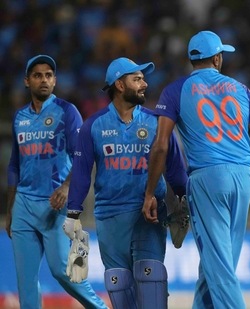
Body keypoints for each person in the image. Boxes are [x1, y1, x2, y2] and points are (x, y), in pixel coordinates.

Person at [141, 30, 250, 309]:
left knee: (220, 269)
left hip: (208, 179)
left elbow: (161, 146)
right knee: (218, 266)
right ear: (217, 58)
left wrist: (150, 192)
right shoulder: (241, 89)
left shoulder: (175, 90)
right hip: (244, 177)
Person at [63, 57, 188, 309]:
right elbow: (81, 172)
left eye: (143, 79)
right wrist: (73, 214)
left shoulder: (157, 122)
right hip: (110, 219)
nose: (144, 84)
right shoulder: (93, 126)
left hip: (149, 214)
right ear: (119, 85)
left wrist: (184, 202)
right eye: (137, 79)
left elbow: (175, 169)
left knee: (150, 278)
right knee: (119, 288)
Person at [6, 54, 107, 309]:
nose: (44, 79)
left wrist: (66, 186)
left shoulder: (66, 111)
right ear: (27, 81)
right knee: (25, 283)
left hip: (55, 204)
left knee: (64, 271)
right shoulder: (19, 117)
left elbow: (82, 155)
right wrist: (10, 208)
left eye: (48, 75)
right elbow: (14, 165)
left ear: (55, 81)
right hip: (23, 206)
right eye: (38, 75)